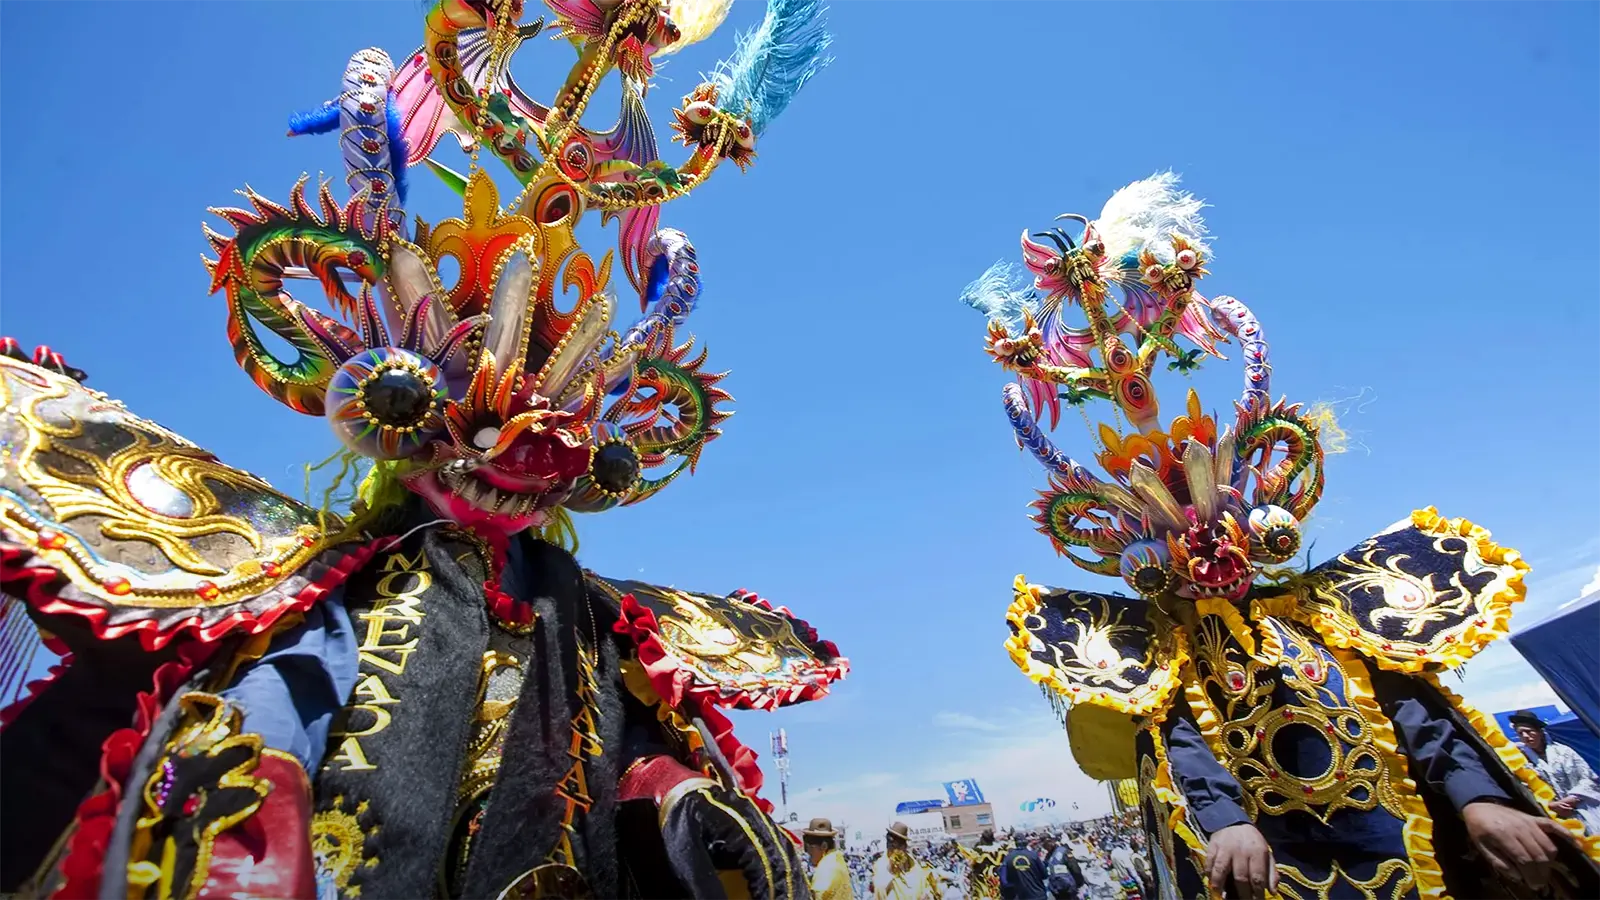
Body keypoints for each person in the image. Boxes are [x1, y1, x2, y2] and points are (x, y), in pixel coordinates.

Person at [0, 2, 841, 898]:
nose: (524, 456)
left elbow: (629, 743)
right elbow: (288, 694)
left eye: (583, 457)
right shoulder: (340, 590)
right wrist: (261, 788)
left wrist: (672, 798)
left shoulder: (591, 624)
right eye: (435, 405)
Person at [962, 173, 1600, 900]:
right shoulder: (1167, 652)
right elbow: (1178, 737)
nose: (1210, 557)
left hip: (1411, 850)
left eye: (1235, 534)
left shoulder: (1324, 609)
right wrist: (1225, 819)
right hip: (1276, 870)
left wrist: (1477, 798)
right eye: (1175, 553)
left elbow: (1410, 703)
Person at [1512, 709, 1600, 835]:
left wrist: (1572, 798)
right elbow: (1524, 789)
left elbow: (1588, 777)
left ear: (1540, 732)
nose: (1526, 736)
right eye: (1521, 733)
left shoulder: (1564, 752)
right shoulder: (1520, 761)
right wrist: (1551, 805)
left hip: (1583, 808)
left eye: (1529, 731)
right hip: (1552, 817)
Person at [872, 822, 938, 899]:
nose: (893, 846)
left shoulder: (913, 863)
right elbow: (880, 891)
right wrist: (890, 871)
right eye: (891, 842)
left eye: (900, 844)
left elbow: (925, 885)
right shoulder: (881, 865)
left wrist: (927, 895)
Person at [804, 818, 853, 900]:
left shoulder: (824, 870)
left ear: (824, 846)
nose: (808, 853)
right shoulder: (837, 859)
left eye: (810, 848)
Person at [999, 835, 1048, 900]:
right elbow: (1045, 875)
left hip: (1020, 896)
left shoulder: (1008, 858)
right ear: (1026, 842)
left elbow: (1004, 881)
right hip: (1038, 895)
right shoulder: (1033, 855)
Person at [1042, 833, 1083, 900]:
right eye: (1044, 845)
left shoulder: (1064, 851)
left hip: (1069, 889)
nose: (1047, 846)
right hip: (1056, 890)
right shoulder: (1047, 857)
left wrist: (1079, 883)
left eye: (1048, 842)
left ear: (1052, 841)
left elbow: (1075, 869)